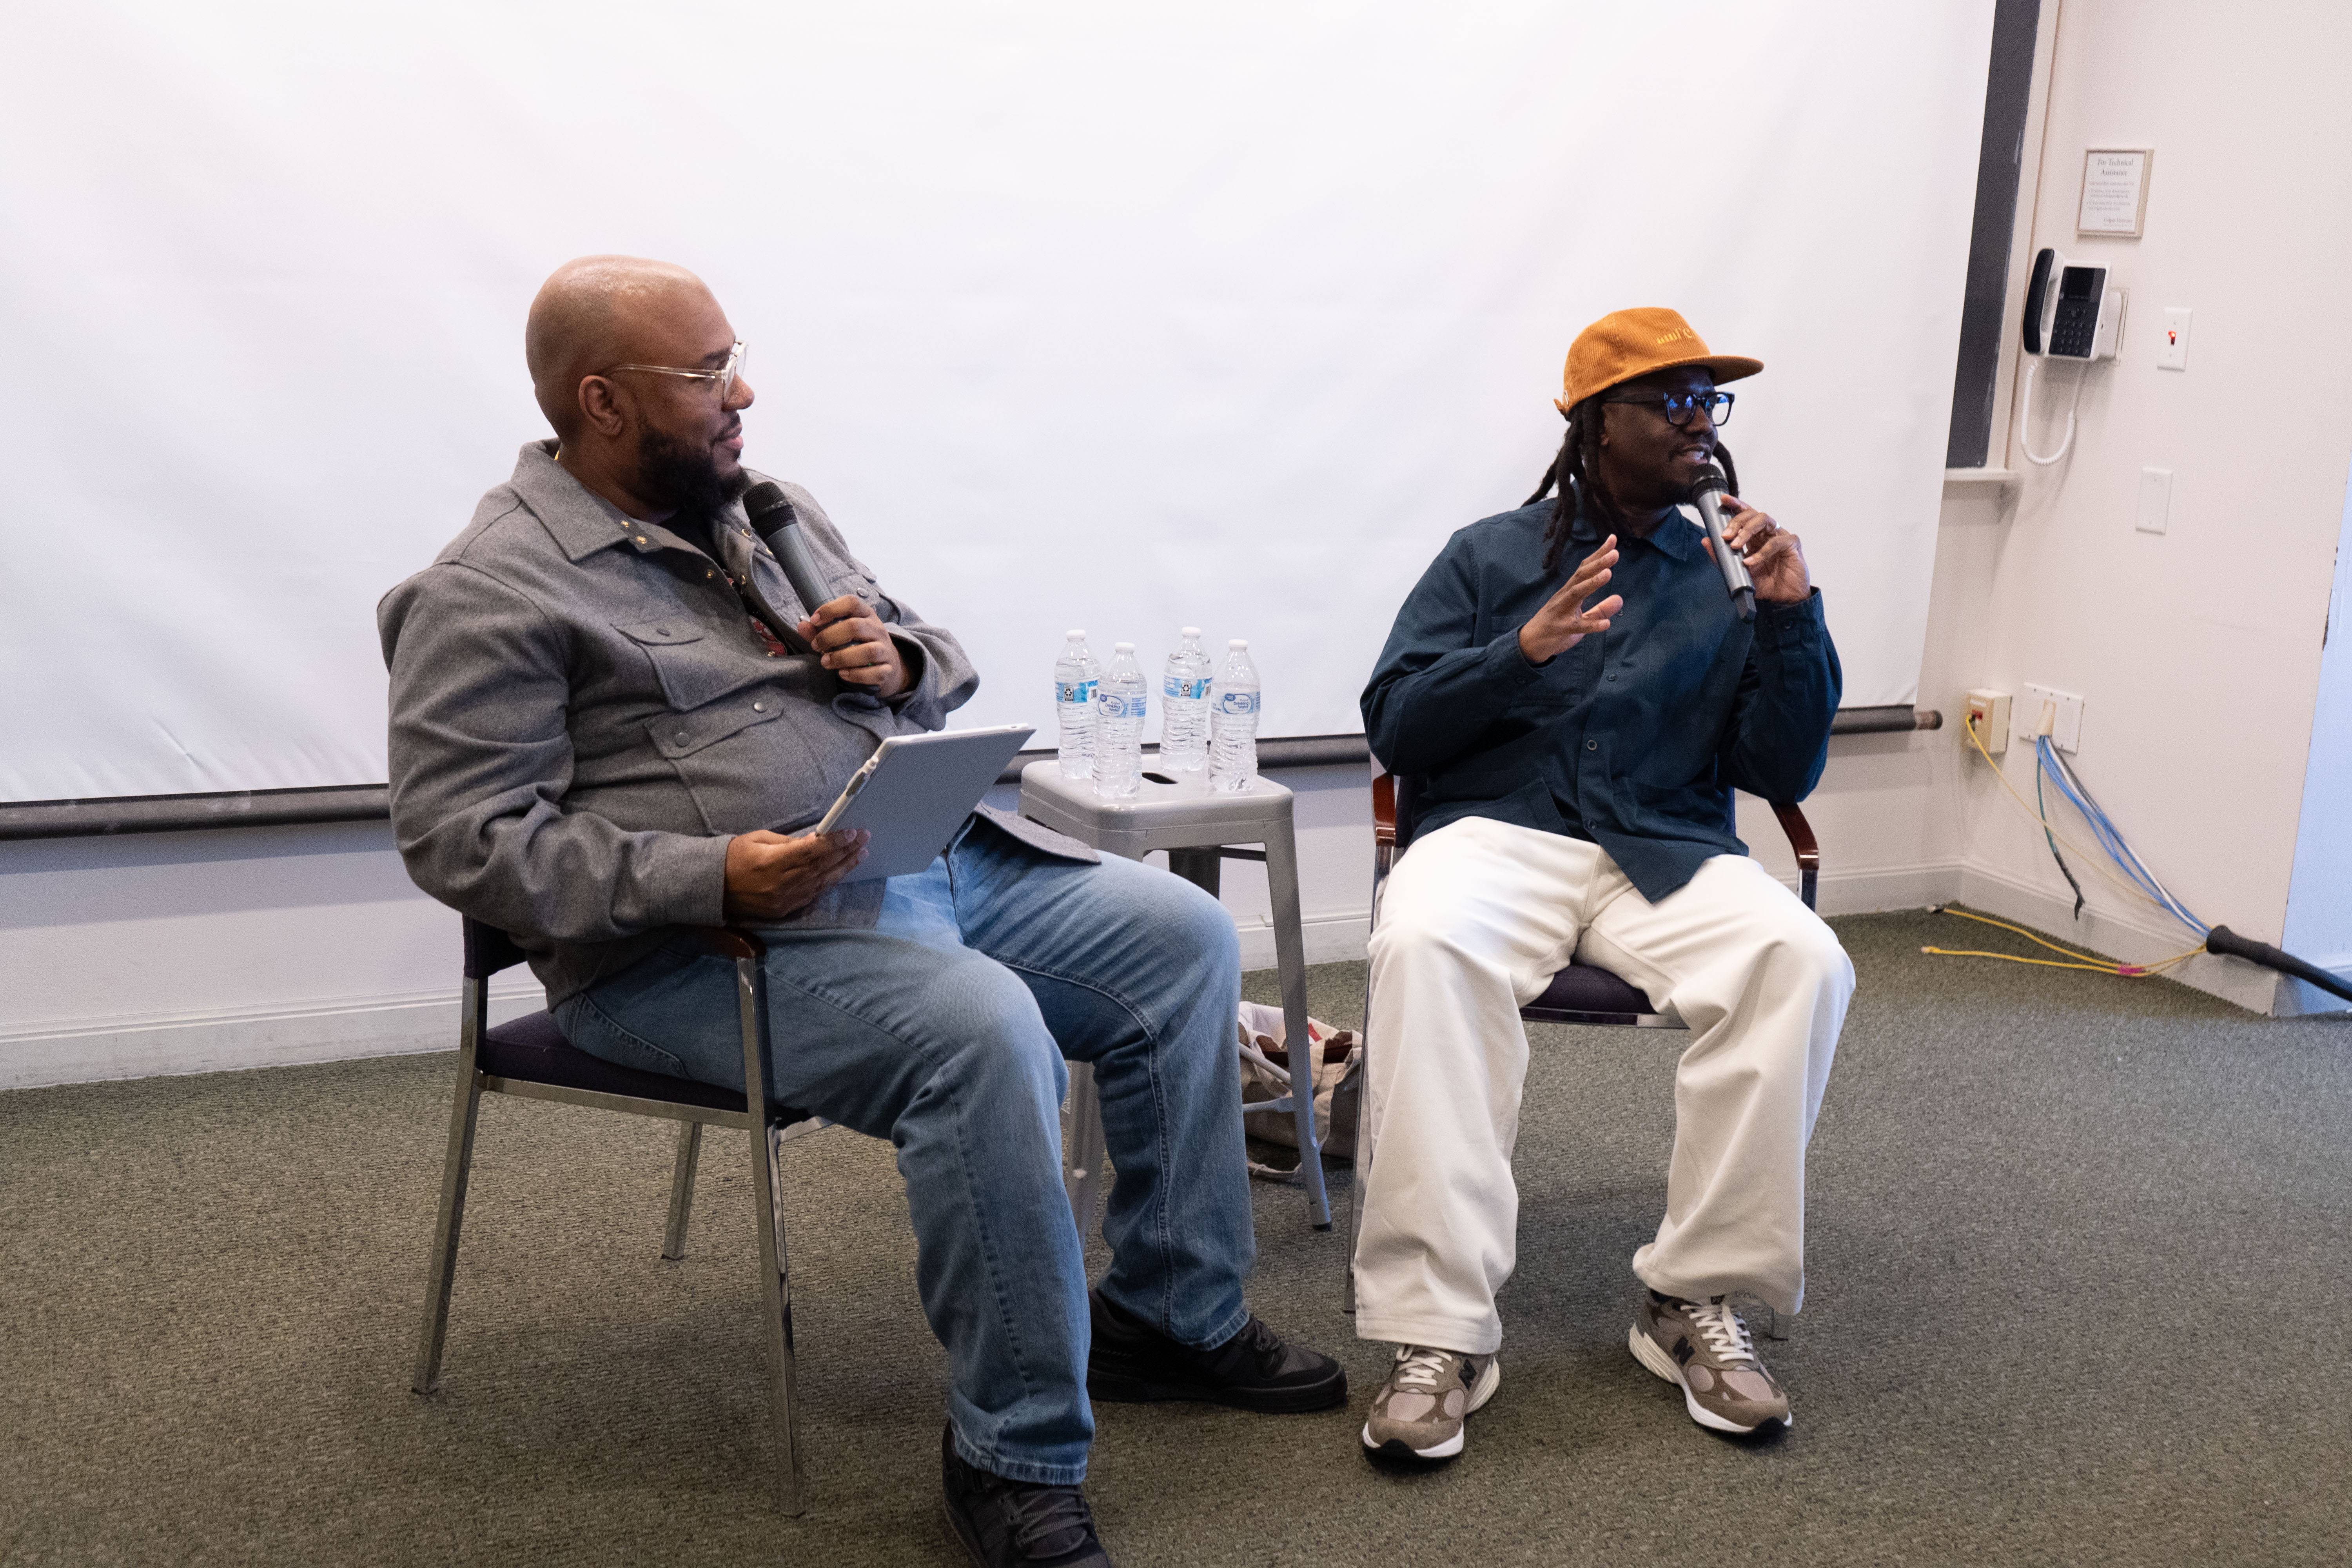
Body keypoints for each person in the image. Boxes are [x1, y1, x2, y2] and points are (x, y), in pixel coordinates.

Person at [378, 256, 1341, 1568]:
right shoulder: (491, 590)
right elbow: (463, 839)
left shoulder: (767, 505)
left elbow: (929, 647)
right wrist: (709, 875)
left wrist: (905, 662)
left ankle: (1172, 1315)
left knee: (1182, 938)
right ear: (602, 402)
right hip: (703, 952)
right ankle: (1013, 1456)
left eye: (736, 362)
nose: (744, 393)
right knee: (984, 1033)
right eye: (710, 373)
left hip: (929, 864)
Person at [1351, 307, 1851, 1463]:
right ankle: (1443, 1334)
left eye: (1708, 402)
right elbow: (1397, 724)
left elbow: (1782, 770)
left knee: (1801, 958)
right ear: (1595, 425)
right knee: (1423, 946)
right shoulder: (1486, 556)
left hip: (1663, 852)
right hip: (1498, 837)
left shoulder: (1732, 569)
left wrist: (1792, 618)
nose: (1698, 423)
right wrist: (1515, 652)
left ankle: (1691, 1300)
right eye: (1671, 401)